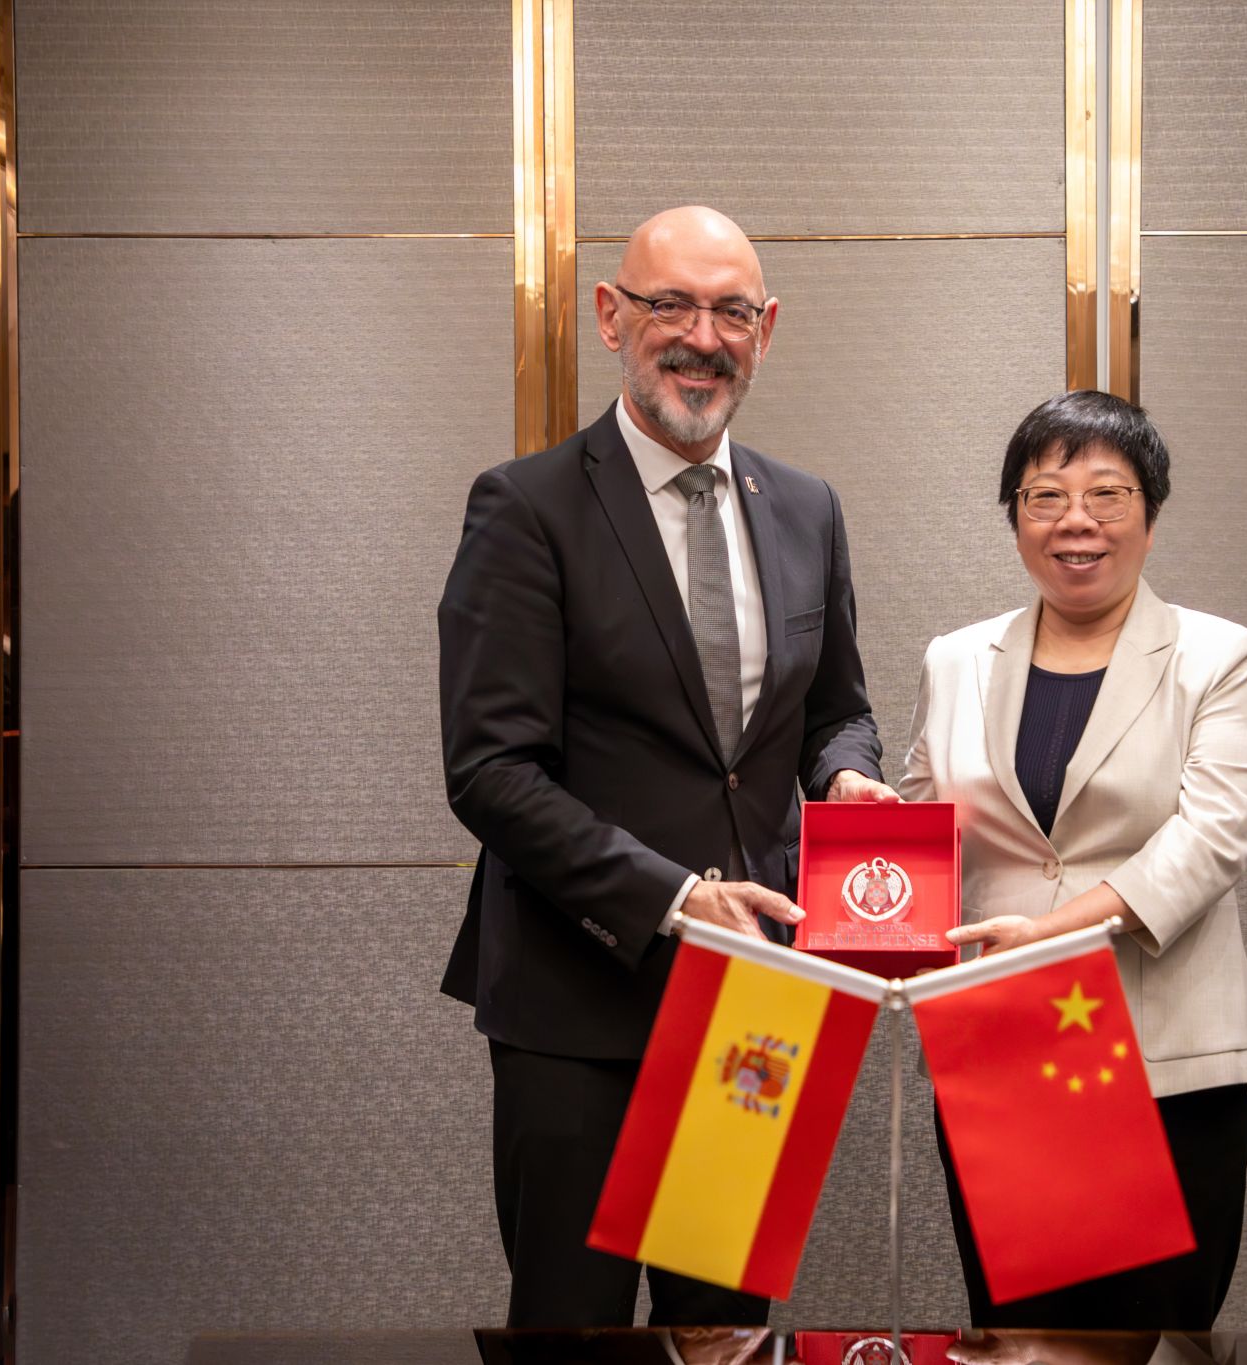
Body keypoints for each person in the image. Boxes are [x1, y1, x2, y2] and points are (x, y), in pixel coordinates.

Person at [438, 206, 896, 1327]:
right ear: (610, 316)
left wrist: (846, 778)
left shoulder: (806, 508)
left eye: (731, 312)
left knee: (724, 1332)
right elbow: (491, 770)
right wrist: (677, 898)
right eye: (670, 305)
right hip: (578, 1004)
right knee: (575, 1333)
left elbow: (836, 711)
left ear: (765, 330)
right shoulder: (526, 507)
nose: (702, 336)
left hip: (753, 1008)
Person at [899, 389, 1247, 1329]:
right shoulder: (955, 659)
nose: (1077, 520)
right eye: (1045, 496)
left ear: (1150, 513)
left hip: (1164, 1064)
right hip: (1005, 1053)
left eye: (1108, 493)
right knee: (1017, 1336)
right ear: (1015, 517)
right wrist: (875, 836)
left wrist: (1052, 932)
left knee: (1154, 1341)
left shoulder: (1220, 656)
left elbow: (1212, 837)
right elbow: (925, 821)